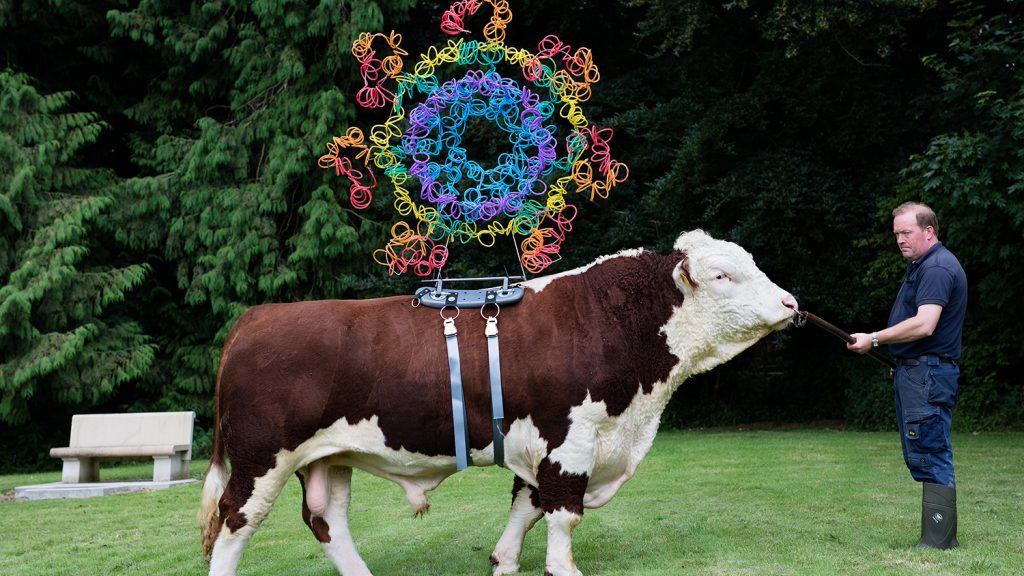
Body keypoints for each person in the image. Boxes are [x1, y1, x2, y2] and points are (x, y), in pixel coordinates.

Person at [847, 201, 967, 550]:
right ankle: (937, 537)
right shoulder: (922, 265)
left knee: (931, 448)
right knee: (925, 448)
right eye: (896, 233)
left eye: (907, 232)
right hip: (919, 372)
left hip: (928, 373)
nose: (900, 239)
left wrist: (873, 338)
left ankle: (939, 540)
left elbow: (925, 323)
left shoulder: (937, 268)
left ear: (929, 231)